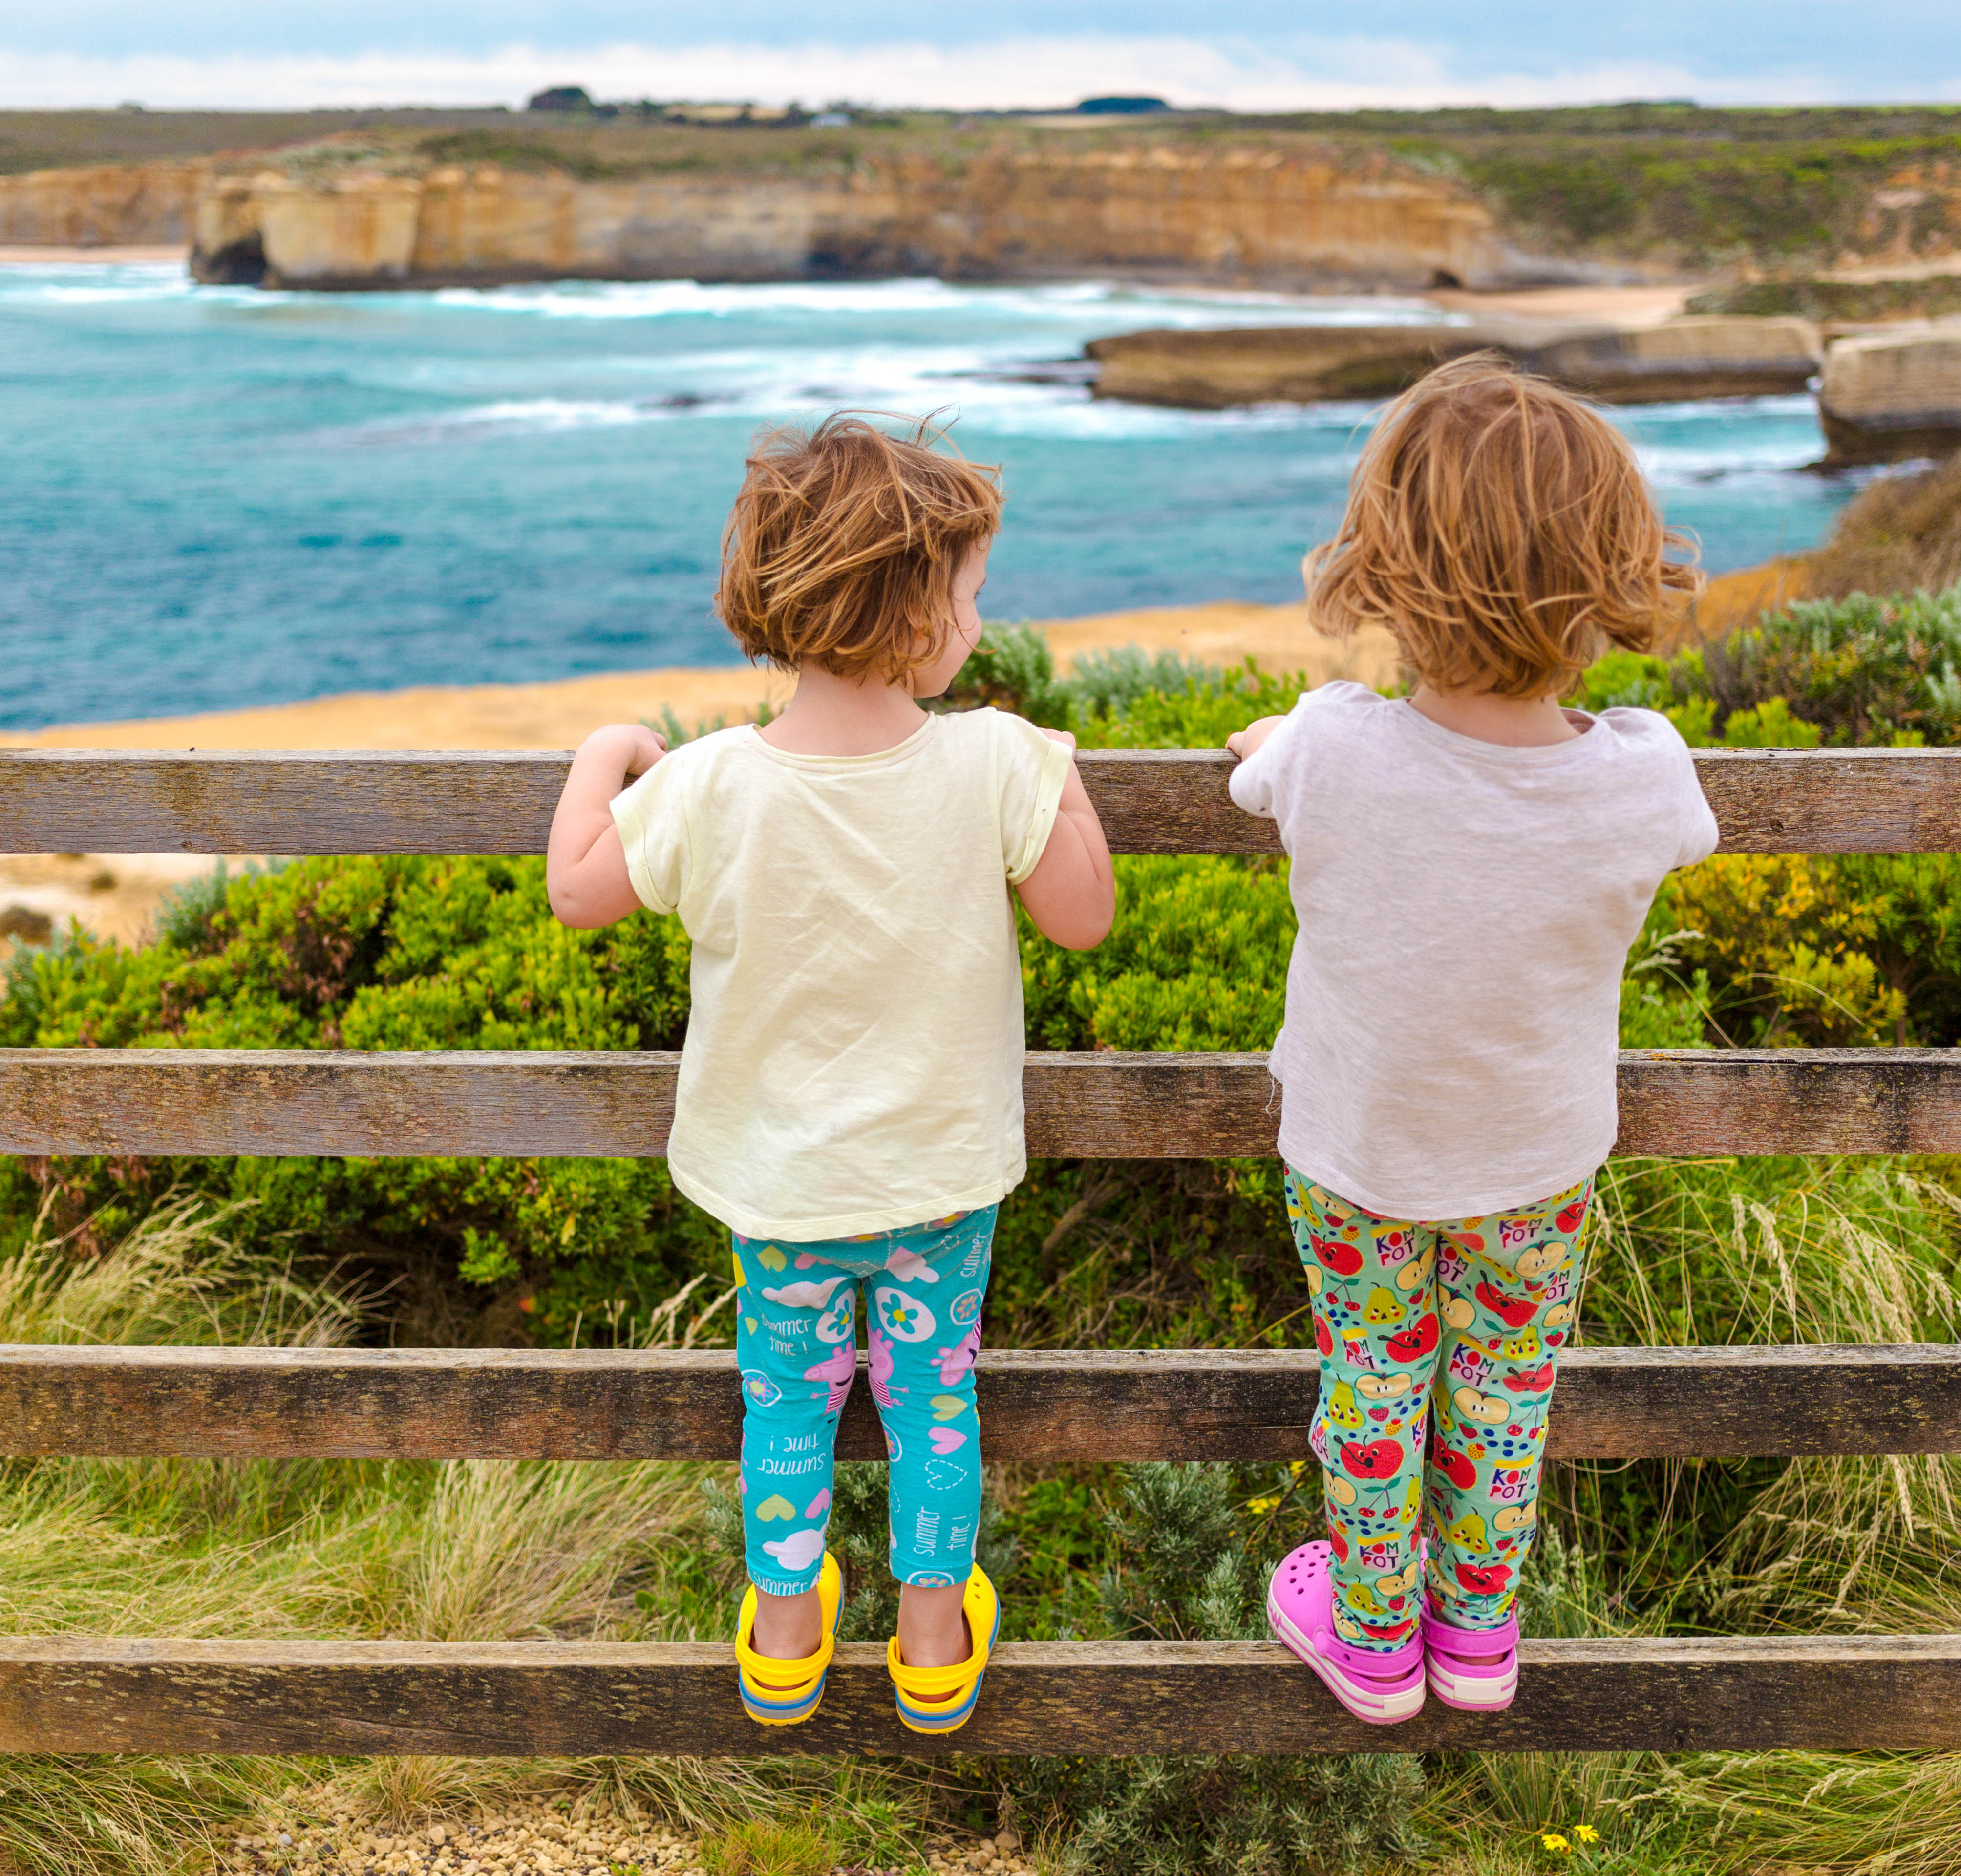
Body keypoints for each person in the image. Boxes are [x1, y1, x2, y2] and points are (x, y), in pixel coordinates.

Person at [547, 414, 1117, 1735]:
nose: (980, 618)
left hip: (780, 1183)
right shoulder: (993, 762)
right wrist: (1059, 776)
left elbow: (581, 892)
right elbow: (1082, 915)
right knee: (934, 1398)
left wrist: (600, 757)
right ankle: (929, 1647)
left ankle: (788, 1639)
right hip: (937, 1182)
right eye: (971, 594)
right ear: (917, 612)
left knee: (786, 1400)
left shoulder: (707, 782)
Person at [1225, 358, 1717, 1724]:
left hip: (1360, 1154)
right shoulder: (1645, 771)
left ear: (1389, 570)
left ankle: (1377, 1638)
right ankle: (1479, 1633)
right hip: (1537, 1161)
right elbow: (1676, 820)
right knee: (1506, 1394)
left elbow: (1271, 765)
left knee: (1374, 1380)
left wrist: (1297, 731)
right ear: (1607, 572)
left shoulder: (1329, 748)